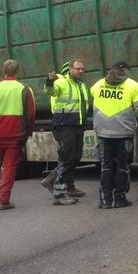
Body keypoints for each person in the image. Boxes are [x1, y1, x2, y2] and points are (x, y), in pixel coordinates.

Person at [89, 61, 138, 209]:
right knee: (123, 165)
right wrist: (133, 116)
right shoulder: (132, 85)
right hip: (124, 132)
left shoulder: (98, 85)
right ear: (125, 70)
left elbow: (93, 97)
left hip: (104, 132)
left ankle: (105, 201)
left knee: (106, 166)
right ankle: (119, 199)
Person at [0, 59, 36, 211]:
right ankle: (3, 201)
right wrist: (29, 132)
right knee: (10, 167)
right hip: (16, 134)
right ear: (17, 72)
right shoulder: (24, 89)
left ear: (3, 71)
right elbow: (31, 114)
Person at [41, 59, 90, 205]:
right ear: (70, 69)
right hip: (64, 125)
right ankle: (59, 193)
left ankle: (66, 185)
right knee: (67, 158)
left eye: (82, 68)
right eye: (77, 68)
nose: (81, 71)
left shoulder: (81, 85)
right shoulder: (62, 82)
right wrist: (49, 81)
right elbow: (49, 91)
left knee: (75, 157)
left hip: (77, 125)